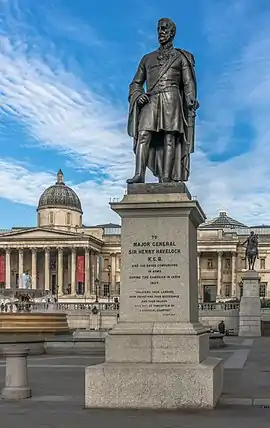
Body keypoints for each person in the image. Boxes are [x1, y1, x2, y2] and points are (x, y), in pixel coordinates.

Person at [127, 18, 198, 184]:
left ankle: (166, 177)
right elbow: (136, 83)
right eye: (159, 29)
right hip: (150, 100)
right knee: (143, 135)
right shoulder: (147, 58)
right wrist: (138, 94)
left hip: (171, 99)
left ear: (172, 33)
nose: (161, 32)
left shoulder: (181, 58)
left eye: (165, 29)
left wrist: (190, 99)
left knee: (169, 138)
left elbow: (188, 83)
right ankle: (139, 174)